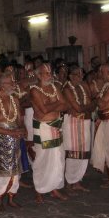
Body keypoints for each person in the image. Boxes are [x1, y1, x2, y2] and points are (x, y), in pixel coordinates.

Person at [30, 63, 69, 203]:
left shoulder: (54, 87)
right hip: (43, 128)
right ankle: (39, 189)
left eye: (50, 72)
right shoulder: (35, 90)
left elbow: (65, 105)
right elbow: (44, 110)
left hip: (56, 127)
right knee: (42, 159)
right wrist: (56, 103)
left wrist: (53, 104)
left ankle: (54, 188)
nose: (50, 75)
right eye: (46, 73)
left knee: (58, 158)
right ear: (39, 75)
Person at [0, 72, 26, 211]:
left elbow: (19, 119)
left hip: (15, 138)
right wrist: (10, 133)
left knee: (16, 172)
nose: (14, 84)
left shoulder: (15, 100)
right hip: (1, 138)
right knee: (2, 171)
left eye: (14, 81)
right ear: (2, 86)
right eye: (11, 82)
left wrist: (22, 129)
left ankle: (11, 198)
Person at [63, 66, 95, 192]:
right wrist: (92, 104)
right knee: (73, 153)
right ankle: (70, 181)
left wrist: (90, 105)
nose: (81, 77)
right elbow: (79, 108)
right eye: (77, 74)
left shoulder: (83, 86)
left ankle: (77, 180)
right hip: (73, 123)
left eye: (82, 74)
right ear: (70, 76)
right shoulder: (67, 89)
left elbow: (90, 105)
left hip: (85, 122)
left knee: (84, 152)